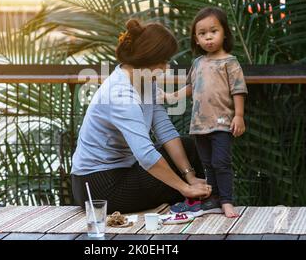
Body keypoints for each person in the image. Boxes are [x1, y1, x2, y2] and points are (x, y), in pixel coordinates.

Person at [71, 19, 212, 214]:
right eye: (163, 61)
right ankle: (191, 201)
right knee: (168, 177)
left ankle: (193, 200)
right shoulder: (119, 93)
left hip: (125, 169)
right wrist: (185, 187)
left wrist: (190, 176)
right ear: (147, 59)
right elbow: (145, 155)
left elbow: (165, 130)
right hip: (97, 186)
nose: (166, 68)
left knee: (187, 146)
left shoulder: (146, 82)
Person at [160, 7, 248, 218]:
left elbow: (238, 90)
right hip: (199, 124)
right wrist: (171, 97)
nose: (208, 37)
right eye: (202, 33)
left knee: (221, 162)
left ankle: (227, 201)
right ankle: (213, 198)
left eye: (213, 31)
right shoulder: (198, 63)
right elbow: (192, 87)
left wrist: (239, 115)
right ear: (196, 39)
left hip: (222, 123)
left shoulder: (230, 63)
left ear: (224, 33)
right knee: (207, 164)